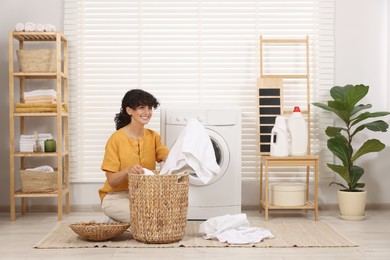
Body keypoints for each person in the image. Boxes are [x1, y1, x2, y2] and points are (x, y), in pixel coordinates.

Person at [98, 89, 169, 223]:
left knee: (165, 217)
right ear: (129, 110)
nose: (147, 113)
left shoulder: (153, 137)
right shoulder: (116, 139)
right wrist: (127, 170)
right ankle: (124, 219)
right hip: (116, 197)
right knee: (147, 219)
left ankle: (126, 221)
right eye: (141, 108)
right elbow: (112, 181)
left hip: (144, 196)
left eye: (149, 108)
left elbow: (169, 158)